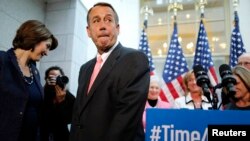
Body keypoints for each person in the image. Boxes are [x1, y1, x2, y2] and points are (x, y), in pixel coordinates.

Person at [69, 2, 150, 141]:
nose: (102, 26)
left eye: (108, 20)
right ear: (88, 31)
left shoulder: (134, 59)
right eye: (96, 21)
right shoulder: (85, 69)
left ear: (117, 28)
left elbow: (125, 121)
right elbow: (78, 116)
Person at [0, 20, 58, 141]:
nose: (47, 53)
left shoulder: (34, 70)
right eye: (47, 46)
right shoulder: (3, 60)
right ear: (35, 38)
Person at [41, 66, 75, 141]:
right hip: (43, 135)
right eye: (52, 78)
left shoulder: (69, 97)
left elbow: (69, 119)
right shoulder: (41, 95)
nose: (55, 80)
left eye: (58, 77)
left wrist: (61, 103)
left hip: (61, 136)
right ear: (46, 79)